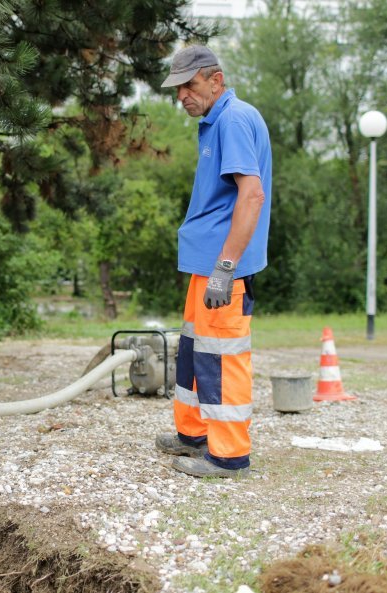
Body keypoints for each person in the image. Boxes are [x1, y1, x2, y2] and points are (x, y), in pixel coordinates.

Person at [154, 45, 272, 478]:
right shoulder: (215, 121)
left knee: (221, 358)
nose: (182, 94)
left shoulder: (234, 119)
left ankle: (228, 457)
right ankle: (194, 435)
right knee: (194, 352)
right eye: (178, 88)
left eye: (190, 84)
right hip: (206, 266)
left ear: (215, 80)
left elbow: (252, 194)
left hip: (224, 270)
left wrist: (226, 267)